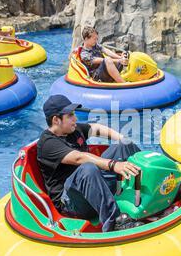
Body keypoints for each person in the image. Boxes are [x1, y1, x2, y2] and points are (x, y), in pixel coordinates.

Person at [37, 95, 144, 232]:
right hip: (72, 203)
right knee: (87, 168)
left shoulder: (73, 130)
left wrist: (122, 138)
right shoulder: (47, 143)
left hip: (96, 187)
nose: (75, 119)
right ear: (56, 120)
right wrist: (113, 165)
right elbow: (79, 158)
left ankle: (153, 186)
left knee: (123, 144)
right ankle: (114, 223)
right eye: (70, 115)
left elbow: (96, 128)